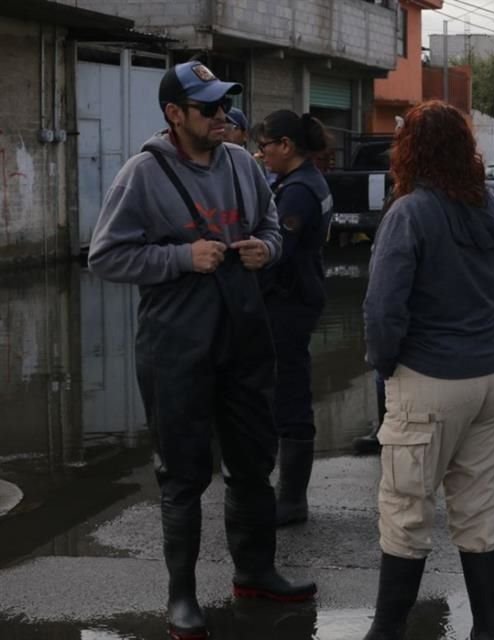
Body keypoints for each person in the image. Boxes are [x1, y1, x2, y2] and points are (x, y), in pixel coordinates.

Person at [87, 61, 316, 640]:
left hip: (243, 333)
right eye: (208, 108)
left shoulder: (242, 163)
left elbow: (270, 226)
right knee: (183, 473)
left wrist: (268, 249)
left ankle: (256, 572)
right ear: (174, 114)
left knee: (253, 461)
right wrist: (181, 259)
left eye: (223, 106)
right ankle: (182, 597)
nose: (221, 116)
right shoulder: (143, 173)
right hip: (175, 341)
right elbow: (106, 256)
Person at [361, 100, 494, 640]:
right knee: (479, 510)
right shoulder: (493, 209)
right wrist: (476, 331)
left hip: (430, 379)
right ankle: (489, 632)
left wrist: (386, 369)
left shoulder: (408, 212)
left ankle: (386, 633)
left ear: (409, 151)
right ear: (465, 149)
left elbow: (384, 310)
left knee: (406, 511)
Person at [254, 110, 334, 527]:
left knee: (289, 394)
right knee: (285, 389)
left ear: (286, 145)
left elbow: (278, 251)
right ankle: (288, 497)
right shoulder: (304, 181)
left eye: (265, 146)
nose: (261, 154)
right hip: (299, 295)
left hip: (289, 300)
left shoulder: (299, 190)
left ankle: (291, 501)